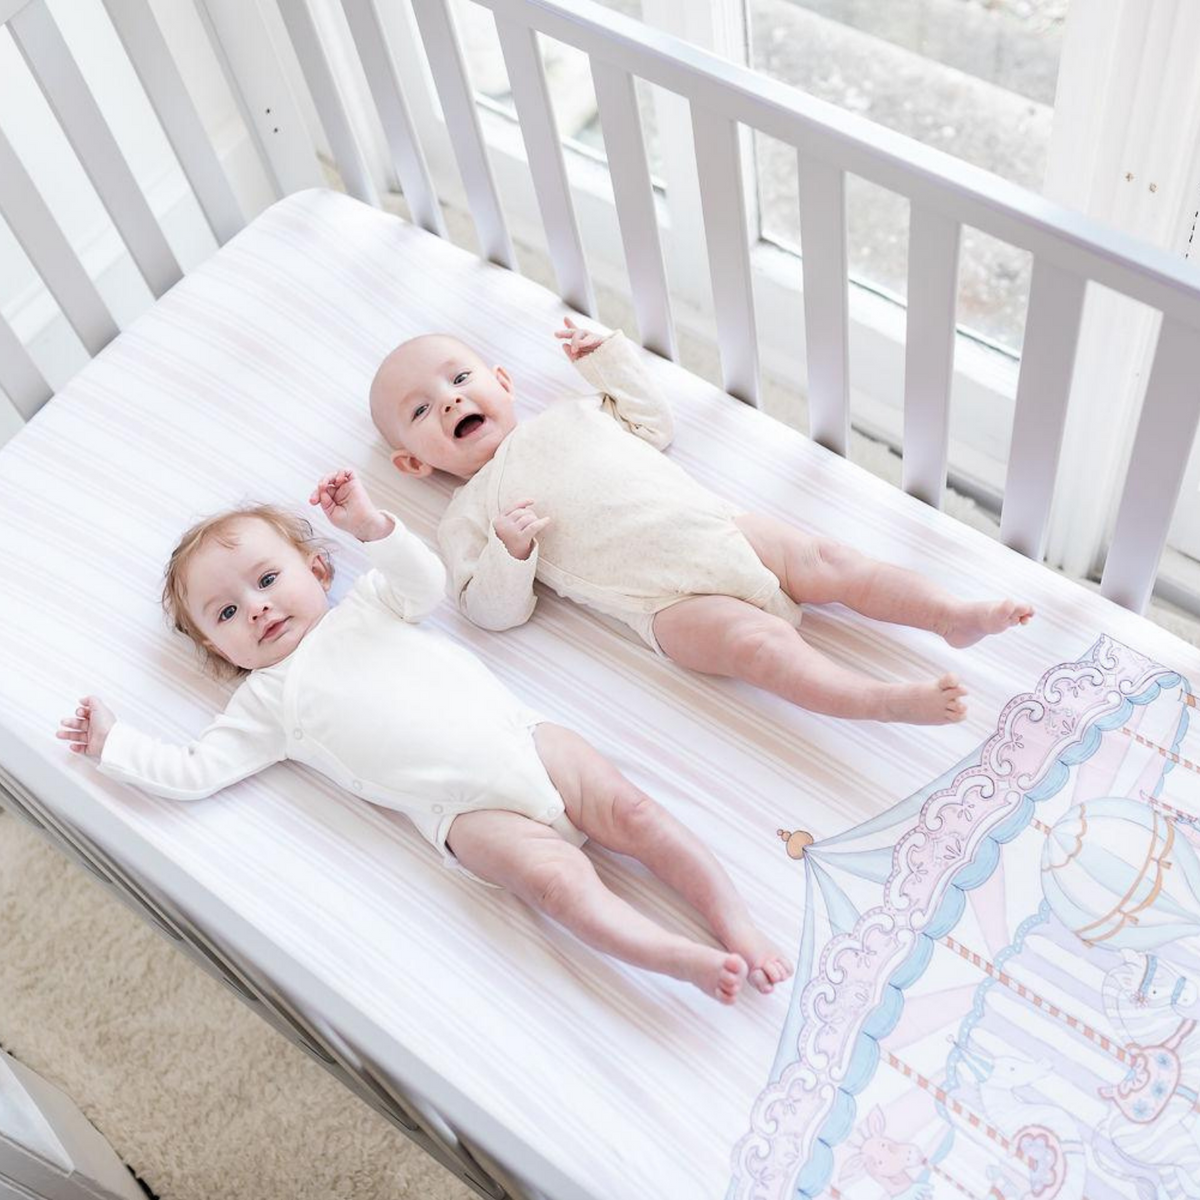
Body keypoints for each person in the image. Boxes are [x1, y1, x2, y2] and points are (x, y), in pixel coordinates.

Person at [56, 470, 790, 1004]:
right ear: (218, 652)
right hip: (464, 813)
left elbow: (425, 582)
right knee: (557, 886)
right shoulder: (265, 703)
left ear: (317, 568)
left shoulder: (369, 604)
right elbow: (193, 769)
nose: (255, 608)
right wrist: (113, 745)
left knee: (636, 814)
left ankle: (738, 925)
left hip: (526, 742)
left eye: (267, 579)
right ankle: (677, 958)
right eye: (225, 614)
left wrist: (372, 525)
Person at [368, 319, 1033, 725]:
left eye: (460, 378)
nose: (449, 399)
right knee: (758, 650)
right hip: (665, 604)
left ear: (503, 382)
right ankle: (879, 700)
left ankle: (949, 615)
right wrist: (510, 554)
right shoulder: (467, 513)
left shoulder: (576, 412)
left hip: (722, 529)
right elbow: (487, 611)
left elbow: (654, 424)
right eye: (421, 410)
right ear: (413, 463)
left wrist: (606, 358)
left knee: (829, 561)